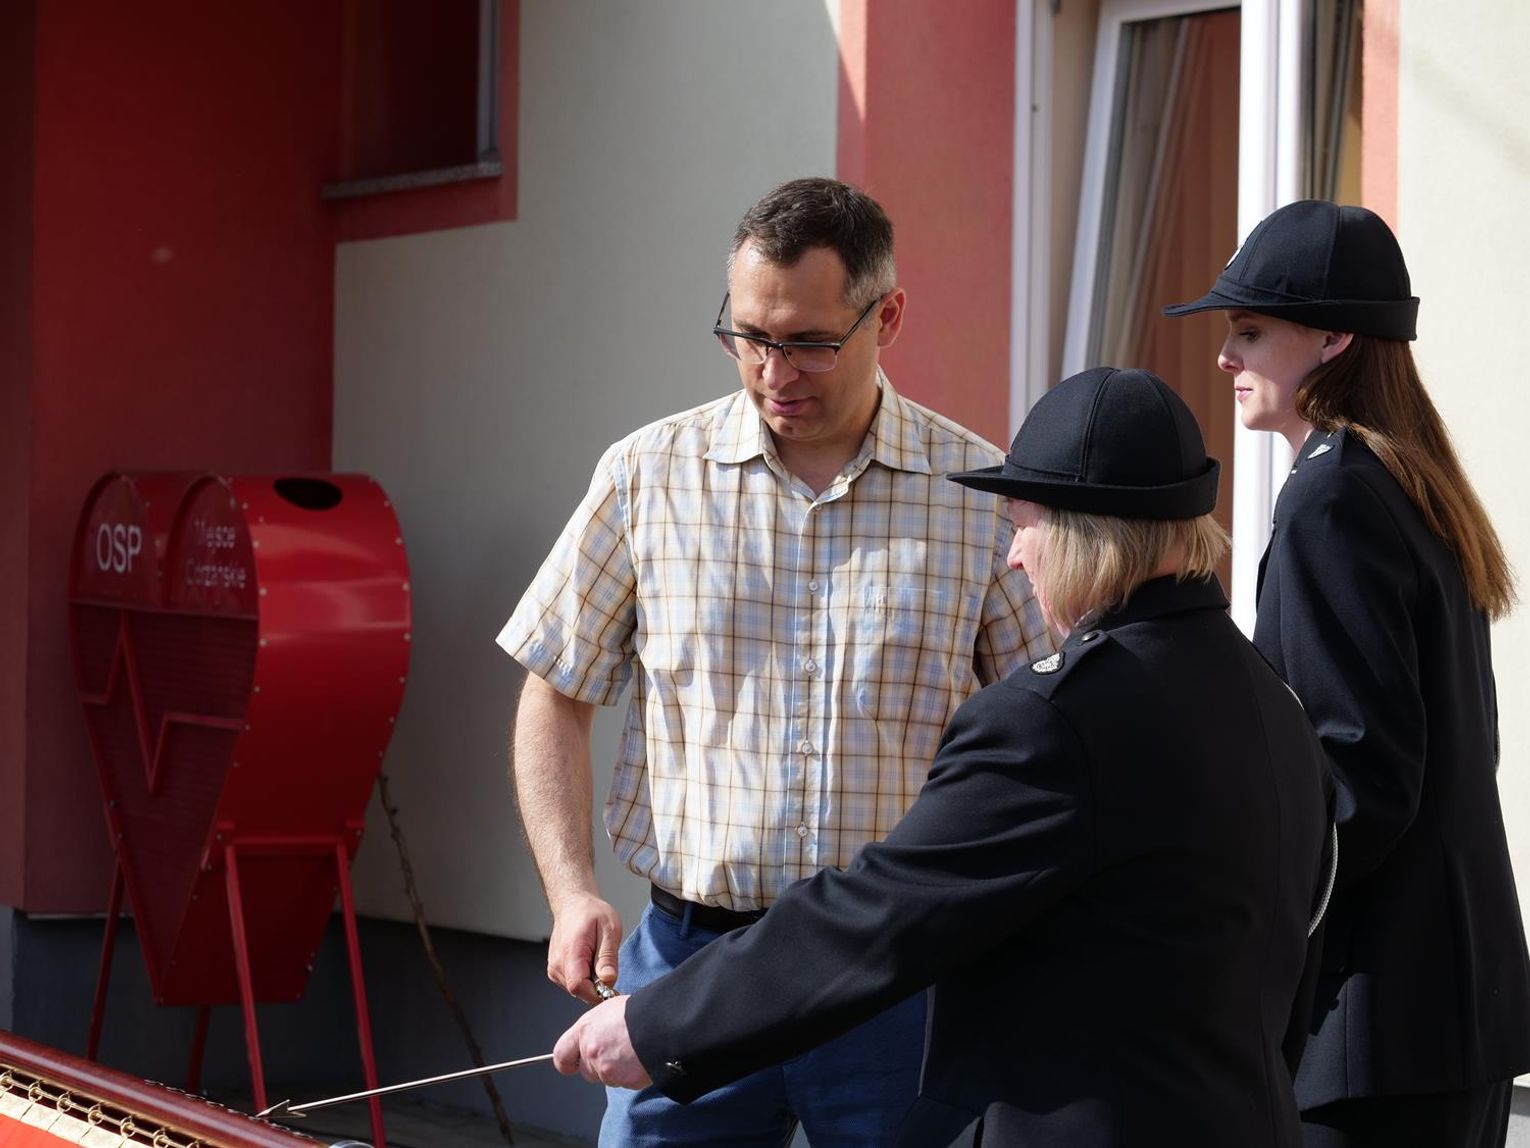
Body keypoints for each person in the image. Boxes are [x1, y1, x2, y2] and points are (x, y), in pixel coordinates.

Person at [552, 366, 1333, 1148]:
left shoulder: (1054, 719)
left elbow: (882, 910)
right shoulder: (1269, 696)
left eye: (1024, 525)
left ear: (1081, 534)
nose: (1016, 556)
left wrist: (659, 1024)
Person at [498, 176, 1054, 1146]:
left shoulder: (976, 498)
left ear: (888, 317)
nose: (772, 370)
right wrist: (571, 888)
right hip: (689, 964)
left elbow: (1048, 730)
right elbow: (555, 688)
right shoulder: (646, 477)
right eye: (749, 336)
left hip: (895, 975)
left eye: (807, 341)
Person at [1164, 199, 1530, 1146]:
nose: (1225, 357)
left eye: (1250, 330)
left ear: (1333, 338)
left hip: (1374, 1022)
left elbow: (1357, 772)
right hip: (1444, 1009)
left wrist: (1242, 924)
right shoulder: (1401, 481)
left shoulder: (1332, 495)